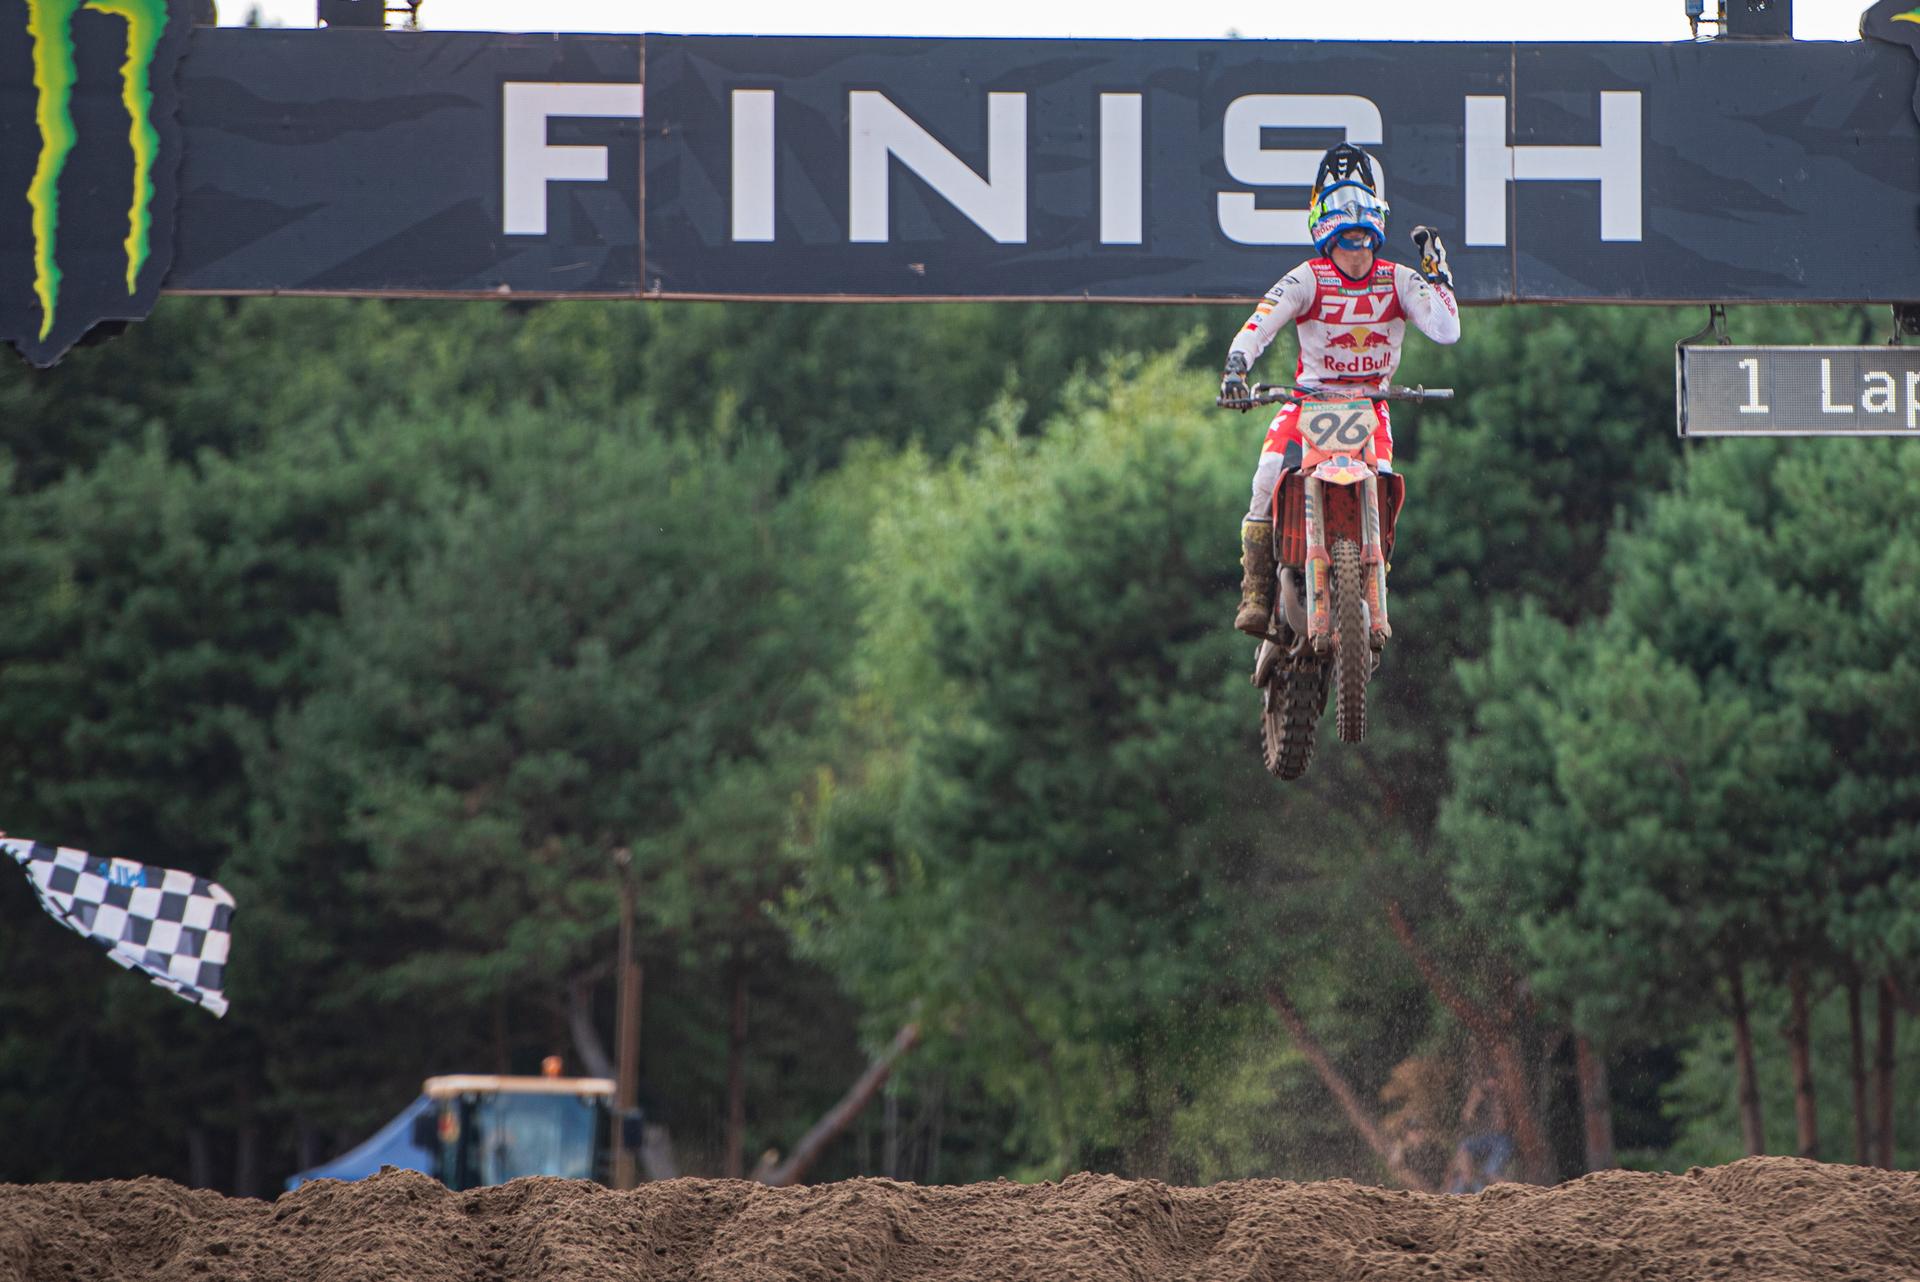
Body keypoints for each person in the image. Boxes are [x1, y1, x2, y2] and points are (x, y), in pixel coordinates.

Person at [1217, 143, 1461, 638]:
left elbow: (1446, 330)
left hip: (1372, 405)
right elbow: (1262, 321)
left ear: (1376, 227)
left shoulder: (1400, 280)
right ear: (1326, 232)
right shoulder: (1309, 277)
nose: (1357, 250)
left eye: (1363, 238)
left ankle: (1375, 580)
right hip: (1308, 400)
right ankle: (1258, 590)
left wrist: (1438, 277)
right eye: (1347, 239)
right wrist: (1236, 367)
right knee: (1266, 476)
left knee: (1387, 479)